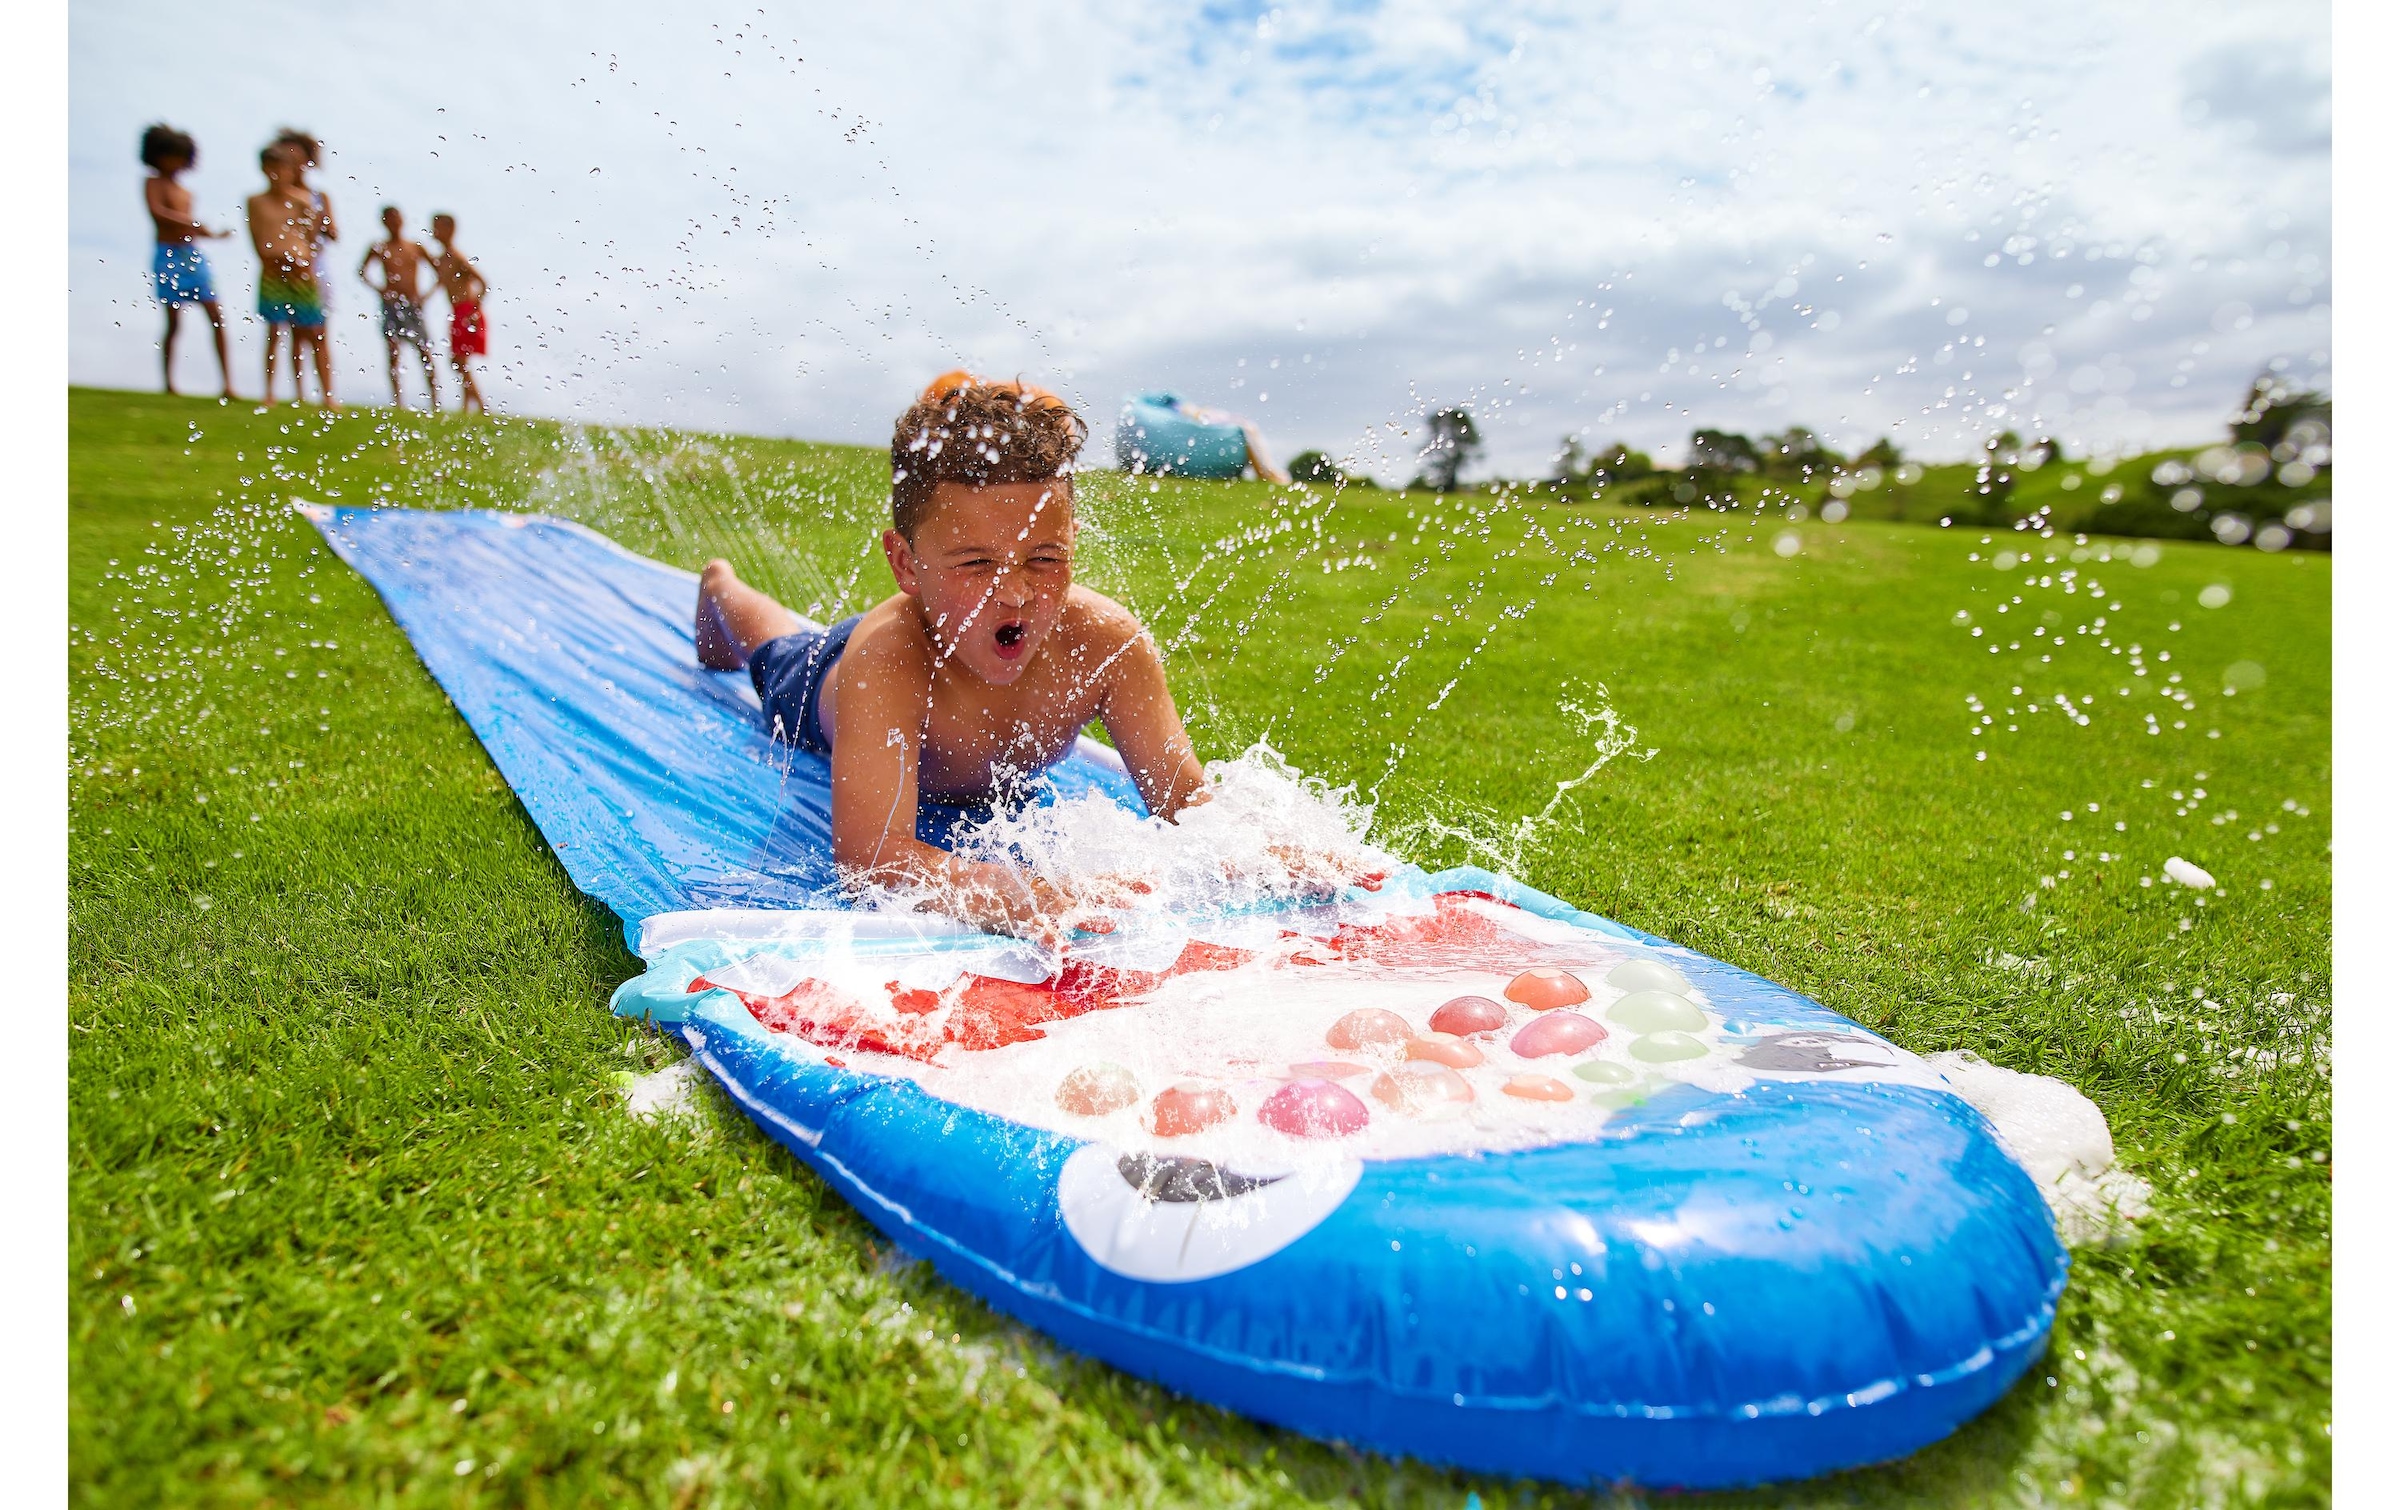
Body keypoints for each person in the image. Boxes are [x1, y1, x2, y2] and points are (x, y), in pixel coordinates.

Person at [692, 372, 1221, 939]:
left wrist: (1269, 846)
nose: (1015, 593)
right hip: (828, 677)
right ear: (906, 565)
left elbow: (1186, 801)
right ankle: (720, 587)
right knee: (776, 650)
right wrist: (1015, 895)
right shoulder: (888, 665)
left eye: (1044, 559)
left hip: (921, 629)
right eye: (976, 564)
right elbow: (870, 860)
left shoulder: (1107, 645)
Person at [139, 124, 235, 399]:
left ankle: (227, 384)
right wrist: (194, 224)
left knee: (216, 316)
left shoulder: (186, 192)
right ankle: (169, 383)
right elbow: (157, 213)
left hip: (192, 254)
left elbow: (190, 227)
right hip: (167, 255)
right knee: (173, 322)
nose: (176, 162)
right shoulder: (153, 183)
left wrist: (212, 234)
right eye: (171, 155)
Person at [246, 140, 336, 407]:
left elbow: (310, 238)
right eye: (272, 168)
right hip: (272, 271)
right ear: (263, 169)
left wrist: (303, 261)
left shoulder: (303, 200)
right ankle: (271, 393)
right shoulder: (255, 201)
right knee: (275, 331)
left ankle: (328, 396)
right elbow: (256, 236)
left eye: (282, 168)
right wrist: (267, 259)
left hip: (302, 271)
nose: (277, 174)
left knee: (314, 332)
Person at [358, 206, 439, 409]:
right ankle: (398, 401)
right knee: (393, 352)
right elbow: (362, 272)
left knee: (424, 351)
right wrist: (380, 289)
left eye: (397, 219)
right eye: (389, 219)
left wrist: (425, 296)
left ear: (402, 220)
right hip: (391, 304)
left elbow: (440, 273)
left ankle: (435, 401)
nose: (394, 223)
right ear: (384, 222)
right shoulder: (379, 247)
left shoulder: (415, 247)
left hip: (413, 304)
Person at [429, 213, 488, 413]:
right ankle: (467, 407)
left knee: (459, 360)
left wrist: (475, 309)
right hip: (457, 312)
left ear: (450, 230)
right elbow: (440, 283)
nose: (434, 231)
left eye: (438, 227)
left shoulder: (456, 257)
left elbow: (483, 283)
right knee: (459, 360)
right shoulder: (441, 260)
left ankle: (481, 406)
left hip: (466, 310)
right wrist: (423, 297)